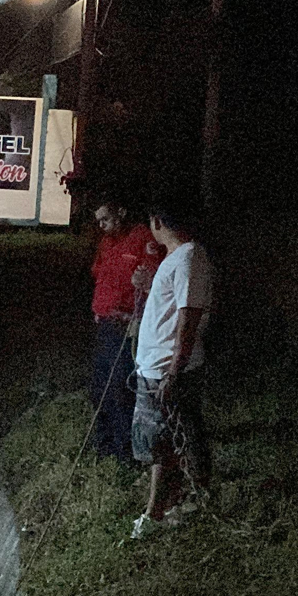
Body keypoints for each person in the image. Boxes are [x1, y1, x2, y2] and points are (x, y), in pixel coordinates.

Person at [130, 202, 214, 539]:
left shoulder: (189, 257)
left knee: (168, 441)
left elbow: (188, 316)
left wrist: (174, 370)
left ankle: (159, 511)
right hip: (156, 366)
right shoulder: (177, 258)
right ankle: (176, 500)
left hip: (166, 369)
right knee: (165, 442)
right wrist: (150, 285)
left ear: (157, 220)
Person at [90, 198, 164, 461]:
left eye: (106, 219)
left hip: (127, 326)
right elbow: (100, 275)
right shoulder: (106, 243)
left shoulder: (142, 238)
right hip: (105, 324)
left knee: (120, 388)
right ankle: (103, 445)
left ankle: (126, 452)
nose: (102, 226)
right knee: (99, 387)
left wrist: (144, 285)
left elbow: (157, 278)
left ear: (121, 212)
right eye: (98, 221)